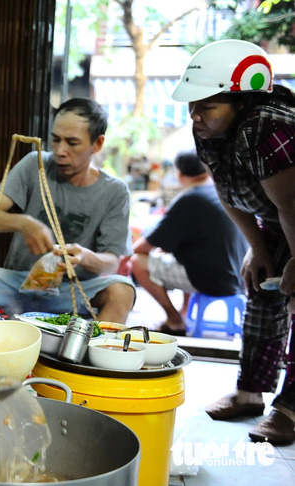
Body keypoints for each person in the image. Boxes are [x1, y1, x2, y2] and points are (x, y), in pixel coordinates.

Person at [171, 39, 295, 445]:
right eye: (192, 105)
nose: (195, 115)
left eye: (206, 106)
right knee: (261, 287)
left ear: (242, 101)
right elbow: (227, 189)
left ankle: (290, 409)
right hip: (280, 221)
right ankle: (249, 394)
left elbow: (292, 202)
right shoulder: (210, 132)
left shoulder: (269, 127)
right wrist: (257, 249)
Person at [0, 98, 136, 323]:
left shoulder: (114, 191)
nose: (60, 151)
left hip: (71, 290)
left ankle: (93, 353)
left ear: (98, 144)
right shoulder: (35, 164)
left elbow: (111, 261)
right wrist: (25, 223)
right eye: (55, 140)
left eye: (72, 143)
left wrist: (83, 256)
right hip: (17, 283)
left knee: (123, 291)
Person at [127, 151, 249, 336]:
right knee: (184, 252)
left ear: (179, 174)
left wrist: (123, 256)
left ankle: (175, 320)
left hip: (215, 280)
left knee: (137, 261)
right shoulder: (219, 191)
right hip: (240, 278)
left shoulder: (190, 198)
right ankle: (183, 313)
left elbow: (144, 246)